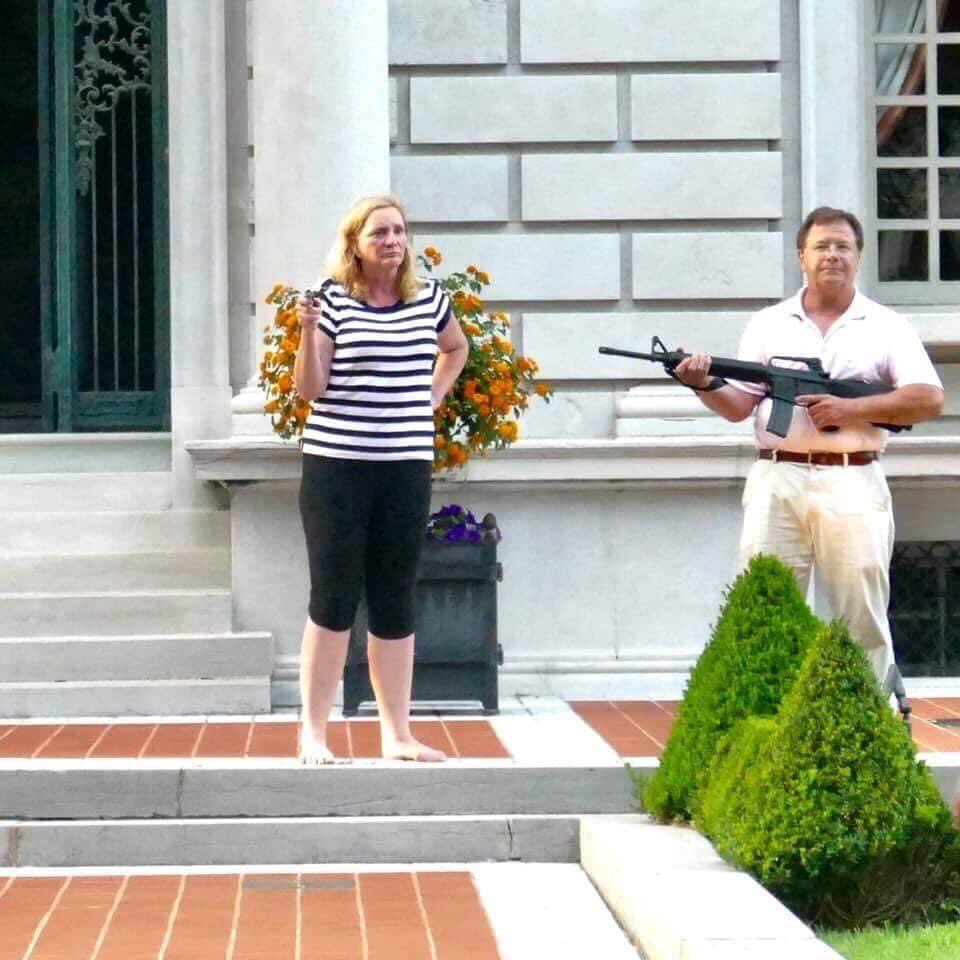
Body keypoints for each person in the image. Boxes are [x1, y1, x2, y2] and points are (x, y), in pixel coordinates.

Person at [674, 206, 944, 685]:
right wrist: (702, 382)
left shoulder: (885, 325)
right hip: (778, 477)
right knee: (765, 604)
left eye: (843, 246)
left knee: (861, 609)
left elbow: (928, 398)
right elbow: (740, 407)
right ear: (802, 255)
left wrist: (850, 410)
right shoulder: (769, 323)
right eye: (822, 246)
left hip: (853, 475)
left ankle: (873, 718)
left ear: (858, 257)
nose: (833, 256)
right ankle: (766, 718)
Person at [293, 194, 468, 763]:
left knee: (395, 598)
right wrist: (307, 332)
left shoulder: (431, 299)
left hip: (404, 467)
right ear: (356, 244)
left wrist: (432, 396)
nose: (392, 241)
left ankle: (397, 735)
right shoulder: (333, 302)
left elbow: (457, 347)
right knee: (334, 597)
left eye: (399, 231)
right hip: (337, 469)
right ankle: (313, 733)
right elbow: (310, 389)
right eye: (379, 233)